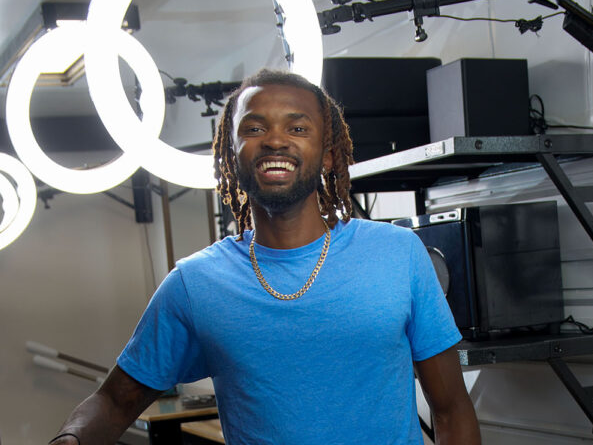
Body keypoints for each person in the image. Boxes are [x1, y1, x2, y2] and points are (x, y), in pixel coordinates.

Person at [49, 69, 481, 445]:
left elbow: (452, 411)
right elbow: (113, 401)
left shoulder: (398, 254)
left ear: (329, 155)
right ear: (230, 158)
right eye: (254, 129)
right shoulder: (194, 285)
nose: (275, 140)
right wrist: (71, 437)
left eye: (297, 128)